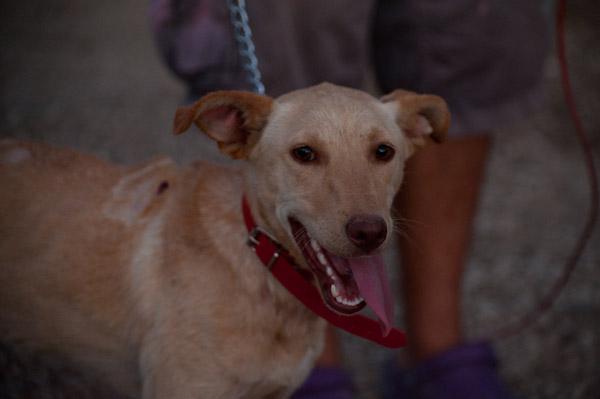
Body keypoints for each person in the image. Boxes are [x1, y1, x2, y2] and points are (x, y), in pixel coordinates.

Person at [150, 1, 548, 397]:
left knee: (460, 40)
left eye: (381, 153)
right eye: (306, 154)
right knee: (289, 38)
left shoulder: (411, 125)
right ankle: (310, 370)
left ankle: (436, 346)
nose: (362, 210)